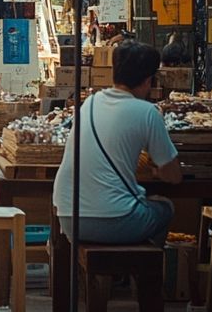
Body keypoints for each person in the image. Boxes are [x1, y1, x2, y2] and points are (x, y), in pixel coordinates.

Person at [52, 41, 183, 247]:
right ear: (149, 80)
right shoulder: (147, 112)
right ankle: (142, 274)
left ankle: (120, 275)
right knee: (165, 208)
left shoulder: (89, 103)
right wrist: (157, 172)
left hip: (69, 217)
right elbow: (174, 175)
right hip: (116, 219)